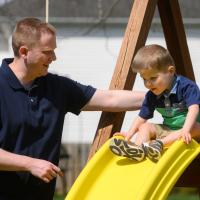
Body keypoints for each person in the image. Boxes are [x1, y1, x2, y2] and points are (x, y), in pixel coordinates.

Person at [0, 17, 145, 200]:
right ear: (24, 52)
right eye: (47, 52)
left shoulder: (57, 87)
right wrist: (30, 164)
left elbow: (110, 98)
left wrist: (159, 97)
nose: (54, 58)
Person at [110, 44, 200, 162]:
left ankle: (158, 144)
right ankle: (138, 149)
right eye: (144, 79)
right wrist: (129, 135)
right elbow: (141, 118)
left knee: (195, 127)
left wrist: (186, 130)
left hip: (192, 132)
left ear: (171, 71)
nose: (148, 84)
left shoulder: (187, 87)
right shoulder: (151, 96)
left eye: (153, 78)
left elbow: (194, 108)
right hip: (169, 130)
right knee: (145, 126)